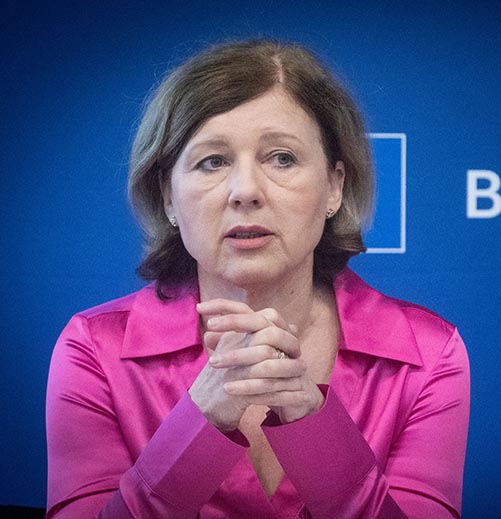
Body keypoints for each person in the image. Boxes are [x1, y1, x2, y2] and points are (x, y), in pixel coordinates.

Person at [45, 39, 470, 518]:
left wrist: (314, 424)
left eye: (282, 158)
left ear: (334, 186)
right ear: (168, 197)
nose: (245, 191)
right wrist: (200, 421)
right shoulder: (93, 349)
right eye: (212, 161)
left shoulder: (429, 355)